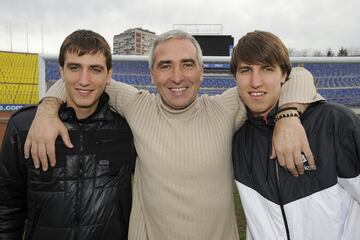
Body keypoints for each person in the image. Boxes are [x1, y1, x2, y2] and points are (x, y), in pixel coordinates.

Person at [24, 30, 322, 240]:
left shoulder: (226, 107)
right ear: (151, 73)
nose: (177, 77)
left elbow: (297, 75)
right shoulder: (136, 104)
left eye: (187, 65)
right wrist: (47, 109)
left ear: (201, 72)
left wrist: (288, 115)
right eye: (166, 66)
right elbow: (80, 81)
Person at [0, 29, 136, 240]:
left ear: (109, 75)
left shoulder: (128, 129)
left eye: (95, 69)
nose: (84, 80)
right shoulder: (24, 126)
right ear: (61, 71)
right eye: (75, 67)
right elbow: (7, 207)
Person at [232, 30, 360, 240]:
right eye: (246, 70)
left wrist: (288, 115)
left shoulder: (334, 123)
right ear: (235, 76)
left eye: (267, 69)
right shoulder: (238, 139)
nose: (256, 81)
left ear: (284, 75)